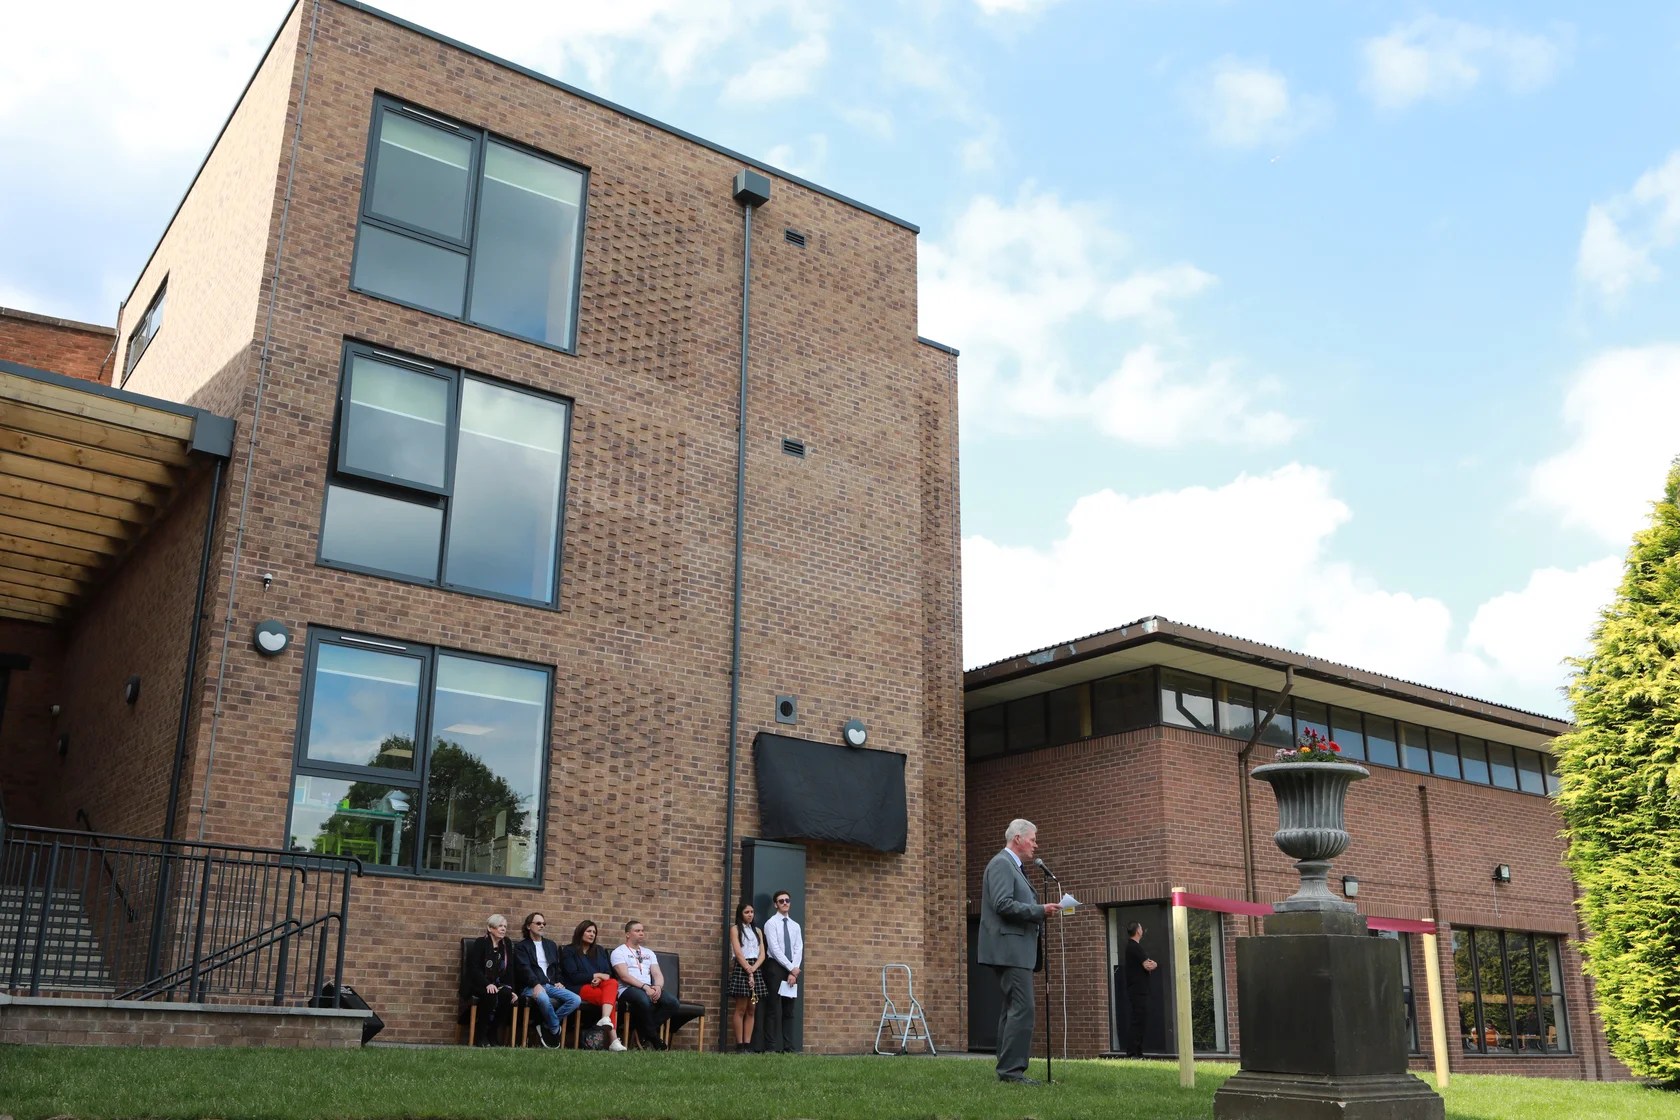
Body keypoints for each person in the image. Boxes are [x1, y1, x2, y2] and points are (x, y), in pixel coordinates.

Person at [977, 818, 1058, 1084]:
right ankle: (1012, 1072)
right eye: (1033, 839)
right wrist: (1039, 911)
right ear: (1018, 839)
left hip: (1016, 951)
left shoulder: (1014, 866)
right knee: (1023, 1009)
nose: (1036, 844)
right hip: (1009, 950)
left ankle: (1007, 1069)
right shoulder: (1002, 864)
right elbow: (1002, 904)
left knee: (1013, 1009)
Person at [511, 911, 583, 1049]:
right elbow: (524, 969)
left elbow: (557, 968)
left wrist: (559, 981)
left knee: (575, 999)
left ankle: (546, 1025)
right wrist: (536, 984)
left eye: (544, 923)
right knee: (543, 998)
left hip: (550, 985)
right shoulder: (522, 947)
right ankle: (555, 1028)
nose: (542, 926)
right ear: (528, 926)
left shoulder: (550, 945)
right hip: (530, 986)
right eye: (538, 923)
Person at [612, 919, 681, 1049]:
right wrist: (644, 987)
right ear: (628, 934)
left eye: (642, 931)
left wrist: (658, 987)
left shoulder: (648, 953)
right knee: (644, 1000)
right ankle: (653, 1037)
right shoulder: (619, 952)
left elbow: (657, 974)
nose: (641, 933)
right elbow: (624, 976)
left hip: (649, 988)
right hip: (628, 989)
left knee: (672, 1003)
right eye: (637, 931)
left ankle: (642, 1031)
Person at [561, 920, 627, 1051]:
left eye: (594, 932)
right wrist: (596, 975)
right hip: (578, 987)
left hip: (600, 985)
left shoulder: (599, 951)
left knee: (613, 983)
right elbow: (574, 977)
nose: (592, 934)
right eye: (589, 931)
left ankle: (605, 1019)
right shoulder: (569, 950)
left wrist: (599, 978)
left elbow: (608, 974)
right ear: (580, 932)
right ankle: (613, 1039)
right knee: (609, 999)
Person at [463, 913, 520, 1046]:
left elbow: (510, 969)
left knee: (506, 994)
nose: (503, 929)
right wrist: (487, 984)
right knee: (490, 994)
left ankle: (492, 1032)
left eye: (505, 926)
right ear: (490, 928)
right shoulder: (480, 943)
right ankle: (481, 1034)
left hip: (498, 983)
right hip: (479, 983)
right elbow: (474, 968)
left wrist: (511, 989)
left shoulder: (507, 944)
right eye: (500, 926)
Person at [761, 889, 803, 1053]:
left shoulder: (795, 926)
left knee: (789, 1009)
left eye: (787, 900)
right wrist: (790, 967)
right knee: (772, 1008)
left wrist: (794, 970)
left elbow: (799, 947)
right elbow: (774, 948)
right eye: (781, 901)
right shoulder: (771, 923)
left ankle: (788, 1047)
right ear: (775, 904)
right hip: (776, 967)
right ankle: (770, 1047)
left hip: (793, 969)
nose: (785, 903)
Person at [727, 900, 767, 1051]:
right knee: (741, 1008)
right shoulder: (735, 929)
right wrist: (747, 969)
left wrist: (754, 969)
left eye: (752, 912)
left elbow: (762, 954)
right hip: (742, 967)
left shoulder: (757, 931)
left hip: (755, 967)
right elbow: (738, 952)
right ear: (741, 914)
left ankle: (748, 1044)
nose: (750, 915)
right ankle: (739, 1045)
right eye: (746, 912)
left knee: (752, 1009)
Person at [1123, 921, 1158, 1058]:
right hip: (1138, 990)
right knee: (1138, 1020)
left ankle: (1137, 1051)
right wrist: (1154, 964)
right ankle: (1133, 1052)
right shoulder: (1134, 947)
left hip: (1138, 989)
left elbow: (1147, 963)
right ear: (1138, 931)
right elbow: (1148, 965)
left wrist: (1151, 963)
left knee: (1140, 1019)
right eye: (1141, 928)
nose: (1143, 930)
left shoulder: (1133, 947)